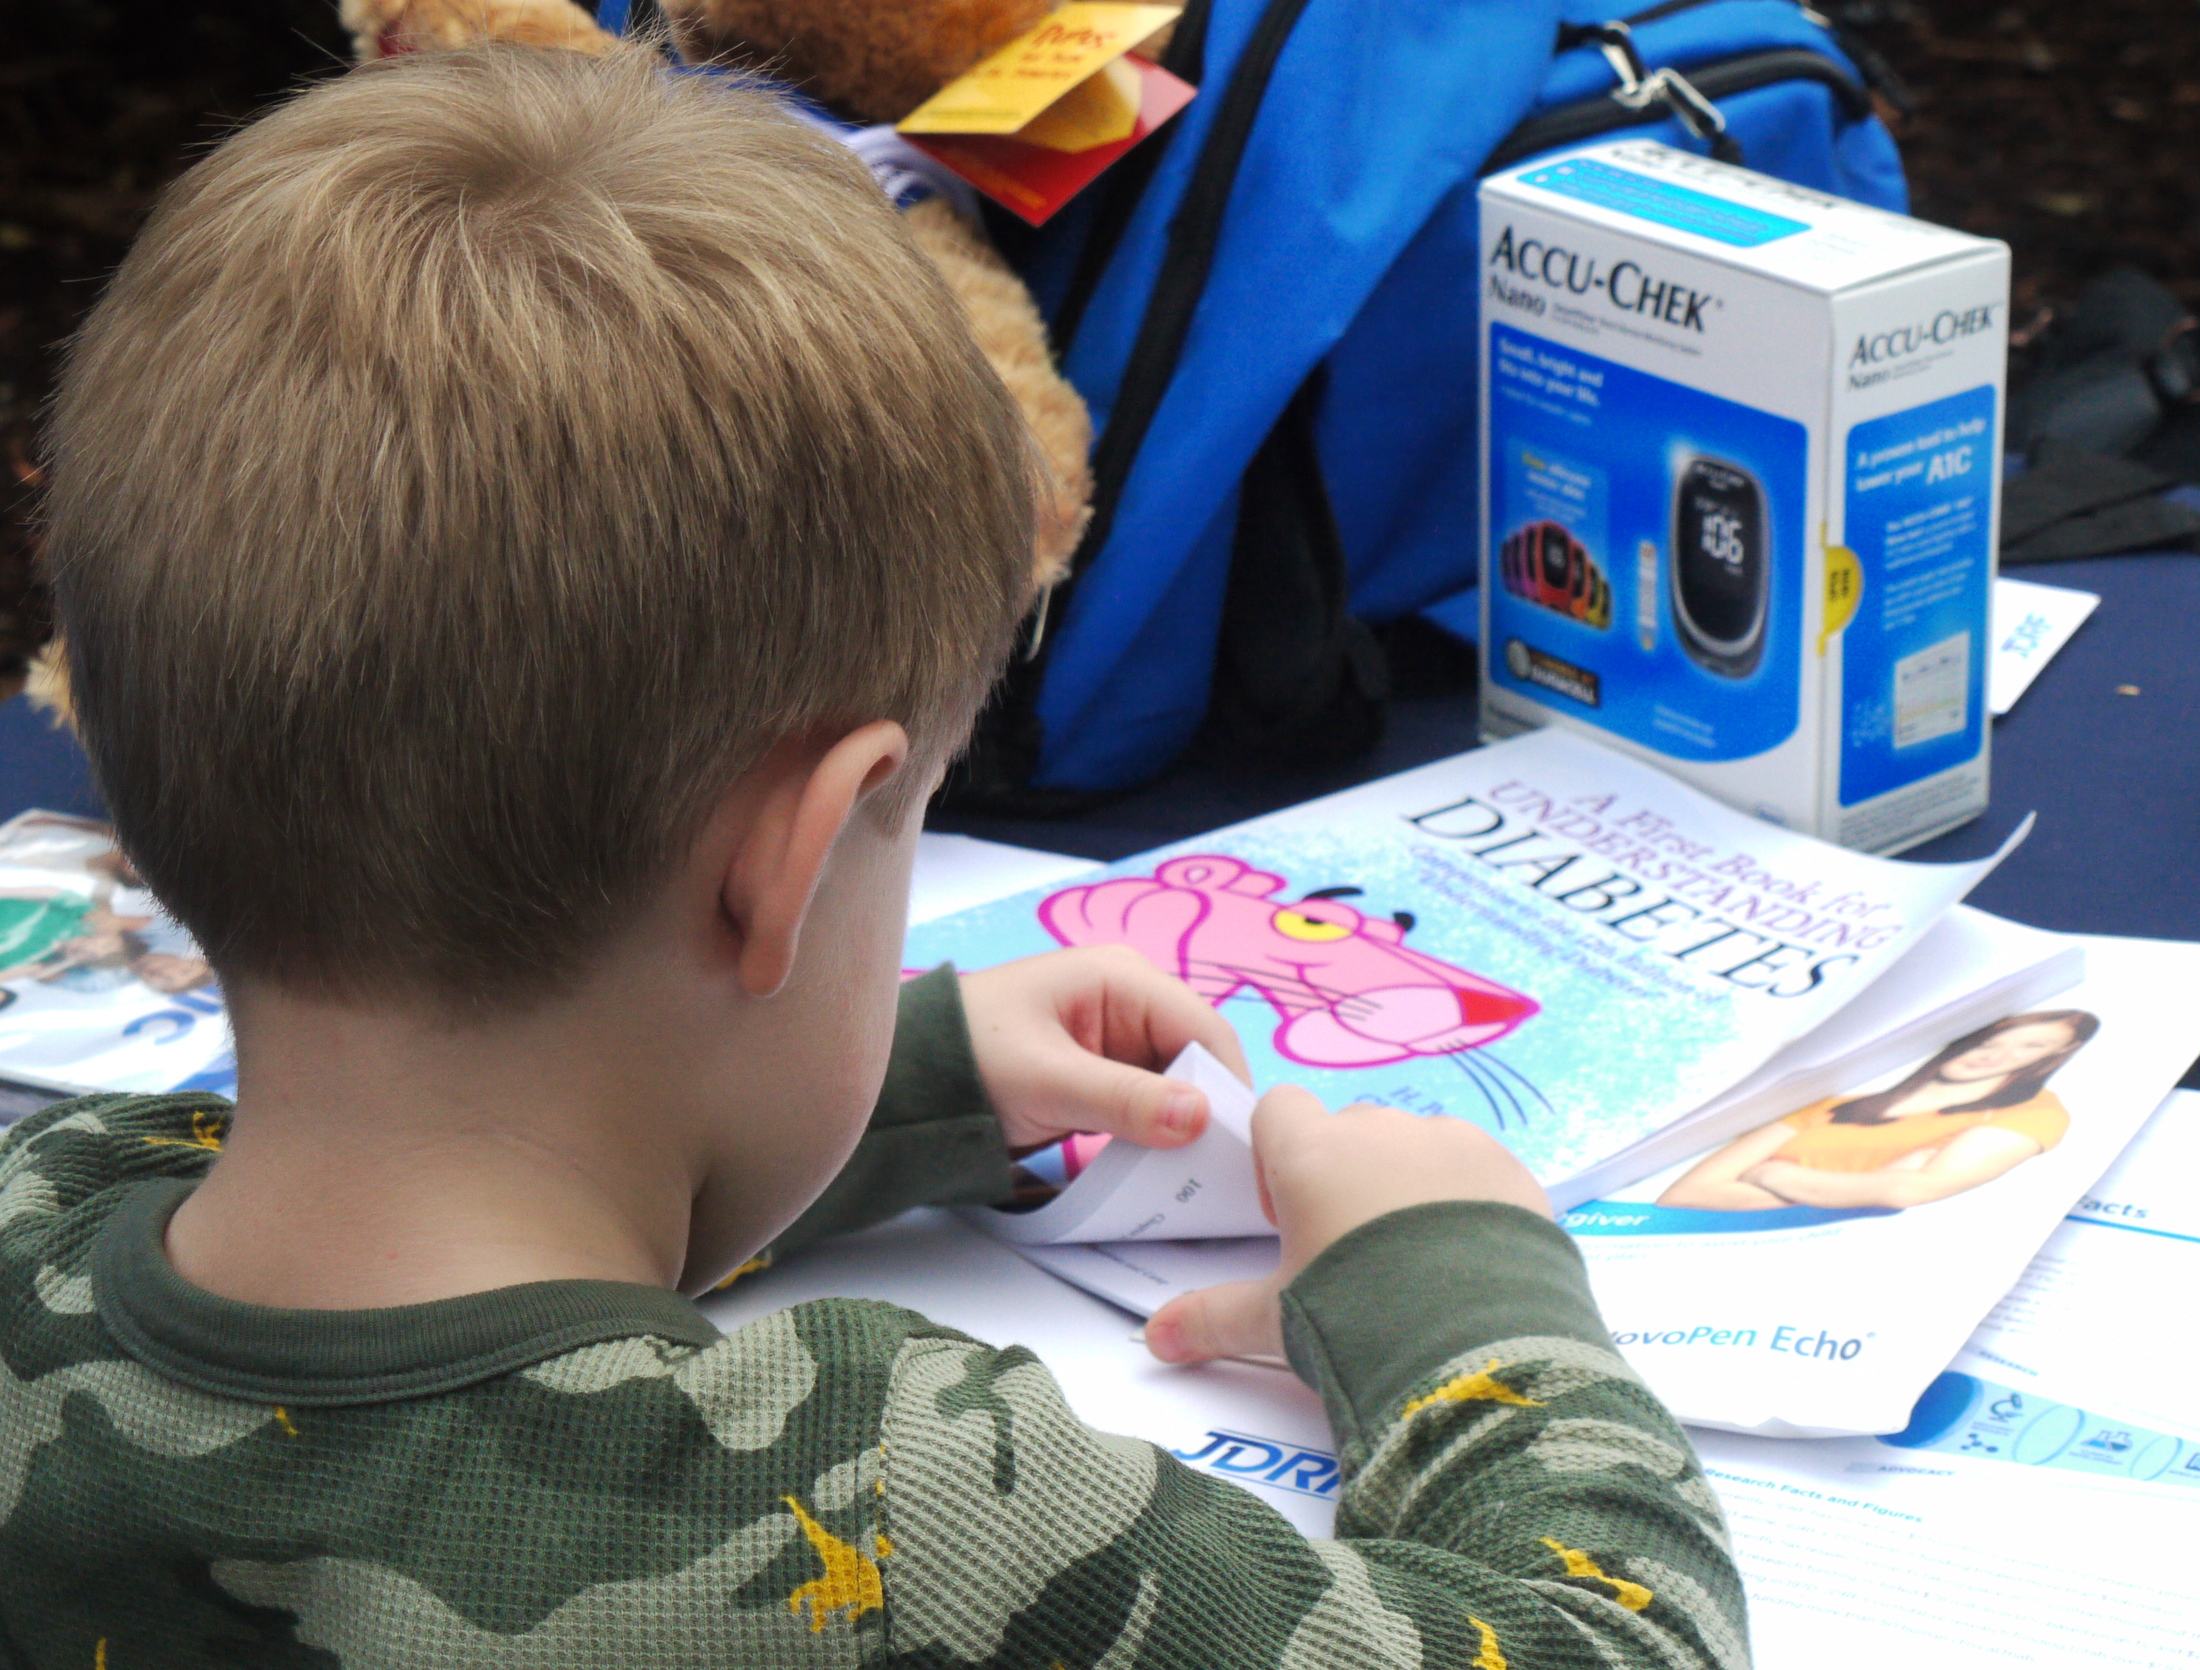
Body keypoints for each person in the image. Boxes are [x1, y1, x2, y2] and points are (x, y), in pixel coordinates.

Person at [10, 45, 1748, 1664]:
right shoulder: (901, 1515)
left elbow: (454, 1180)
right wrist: (1463, 1297)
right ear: (802, 850)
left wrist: (912, 1078)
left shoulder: (43, 1230)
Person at [1659, 1010, 2100, 1213]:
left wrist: (1769, 1174)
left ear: (2051, 1057)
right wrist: (1863, 1188)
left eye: (2031, 1046)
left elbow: (1914, 1192)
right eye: (1988, 1042)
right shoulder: (1834, 1106)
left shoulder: (2035, 1111)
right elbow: (1685, 1193)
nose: (1994, 1056)